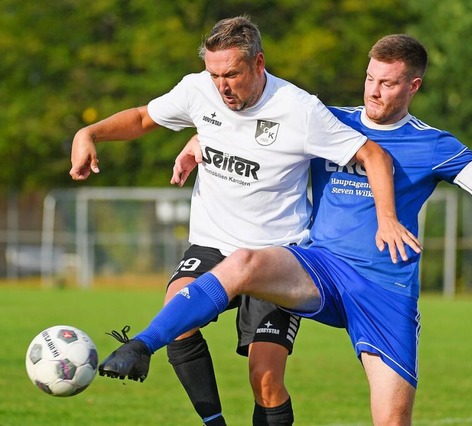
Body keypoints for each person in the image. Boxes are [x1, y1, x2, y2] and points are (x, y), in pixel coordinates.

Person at [97, 34, 472, 424]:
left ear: (413, 85)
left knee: (391, 421)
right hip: (320, 266)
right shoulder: (332, 120)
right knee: (243, 263)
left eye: (389, 83)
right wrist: (198, 142)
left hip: (385, 289)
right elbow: (253, 130)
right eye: (370, 79)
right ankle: (145, 342)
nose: (375, 92)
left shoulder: (435, 145)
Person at [70, 16, 417, 426]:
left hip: (278, 256)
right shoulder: (198, 90)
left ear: (258, 64)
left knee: (265, 379)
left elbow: (372, 154)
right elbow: (145, 118)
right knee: (177, 316)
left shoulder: (300, 109)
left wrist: (387, 218)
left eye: (232, 74)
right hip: (212, 243)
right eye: (214, 74)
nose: (222, 86)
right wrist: (90, 133)